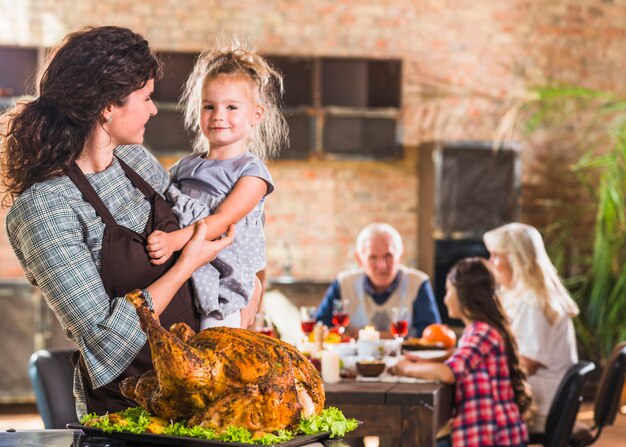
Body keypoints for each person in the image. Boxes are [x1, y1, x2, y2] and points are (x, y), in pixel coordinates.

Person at [0, 26, 252, 418]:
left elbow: (195, 220)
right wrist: (188, 263)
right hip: (130, 415)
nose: (153, 109)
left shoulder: (134, 161)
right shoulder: (44, 209)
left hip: (199, 395)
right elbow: (106, 341)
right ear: (107, 106)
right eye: (146, 97)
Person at [145, 45, 287, 330]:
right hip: (188, 271)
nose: (218, 115)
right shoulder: (185, 167)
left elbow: (222, 221)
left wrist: (174, 240)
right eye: (209, 106)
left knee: (215, 346)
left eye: (232, 107)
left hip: (224, 285)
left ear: (256, 115)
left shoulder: (252, 173)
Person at [390, 258, 531, 447]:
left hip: (493, 436)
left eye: (449, 291)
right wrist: (422, 363)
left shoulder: (482, 331)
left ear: (463, 295)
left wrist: (404, 368)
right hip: (485, 432)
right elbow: (461, 358)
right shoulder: (478, 330)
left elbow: (449, 373)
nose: (445, 298)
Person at [483, 222, 579, 432]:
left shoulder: (534, 302)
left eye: (496, 255)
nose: (491, 263)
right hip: (546, 398)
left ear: (517, 259)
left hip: (545, 406)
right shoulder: (523, 296)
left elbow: (529, 363)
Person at [316, 223, 441, 337]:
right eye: (373, 258)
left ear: (400, 255)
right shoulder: (343, 283)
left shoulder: (418, 283)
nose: (382, 266)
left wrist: (365, 335)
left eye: (388, 256)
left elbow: (432, 335)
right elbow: (320, 326)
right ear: (359, 260)